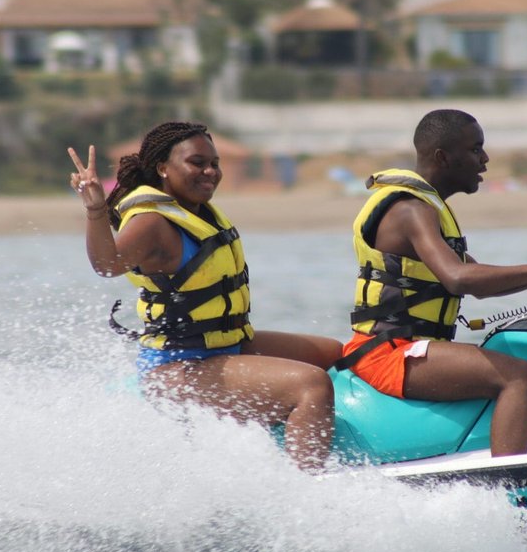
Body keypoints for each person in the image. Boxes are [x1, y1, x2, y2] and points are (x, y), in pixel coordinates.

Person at [67, 122, 340, 471]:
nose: (210, 171)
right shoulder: (153, 221)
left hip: (223, 346)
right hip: (178, 366)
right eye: (197, 163)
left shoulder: (196, 212)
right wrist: (95, 210)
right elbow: (106, 265)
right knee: (311, 385)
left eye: (214, 163)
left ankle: (309, 432)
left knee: (333, 352)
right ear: (163, 168)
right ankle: (308, 487)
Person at [337, 109, 527, 457]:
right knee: (518, 376)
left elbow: (479, 281)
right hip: (389, 353)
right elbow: (457, 278)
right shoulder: (411, 210)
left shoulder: (429, 209)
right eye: (475, 149)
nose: (485, 159)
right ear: (443, 157)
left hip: (408, 348)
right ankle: (511, 490)